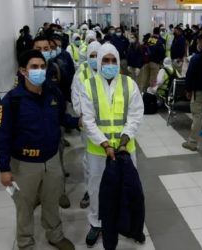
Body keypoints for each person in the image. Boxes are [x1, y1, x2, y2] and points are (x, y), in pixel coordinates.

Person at [0, 50, 80, 250]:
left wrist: (78, 122)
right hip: (24, 165)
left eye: (42, 67)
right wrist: (4, 168)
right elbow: (2, 136)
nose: (39, 71)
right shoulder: (12, 101)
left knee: (51, 202)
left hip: (51, 161)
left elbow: (62, 119)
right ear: (23, 70)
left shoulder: (52, 92)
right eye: (34, 67)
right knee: (24, 206)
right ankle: (25, 243)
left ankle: (55, 235)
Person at [79, 43, 144, 248]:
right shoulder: (88, 85)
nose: (109, 64)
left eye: (113, 60)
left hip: (125, 150)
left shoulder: (129, 84)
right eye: (105, 60)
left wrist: (123, 142)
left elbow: (135, 115)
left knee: (127, 189)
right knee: (97, 189)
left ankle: (127, 224)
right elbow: (88, 120)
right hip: (98, 151)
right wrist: (105, 144)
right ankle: (97, 223)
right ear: (98, 62)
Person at [71, 41, 101, 209]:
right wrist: (86, 118)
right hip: (88, 126)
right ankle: (89, 191)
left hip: (106, 127)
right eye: (92, 56)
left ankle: (104, 191)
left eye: (98, 56)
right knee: (89, 160)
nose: (96, 59)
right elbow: (76, 99)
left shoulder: (109, 70)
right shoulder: (81, 73)